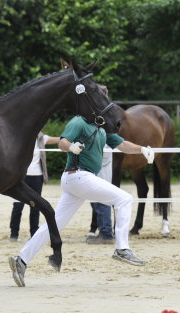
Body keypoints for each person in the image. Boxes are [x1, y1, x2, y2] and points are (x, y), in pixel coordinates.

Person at [9, 114, 154, 287]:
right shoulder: (79, 122)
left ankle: (21, 259)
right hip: (79, 176)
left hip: (79, 180)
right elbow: (63, 142)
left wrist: (142, 149)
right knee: (124, 199)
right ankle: (122, 248)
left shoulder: (102, 126)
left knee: (54, 225)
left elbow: (122, 144)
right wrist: (71, 147)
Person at [9, 132, 60, 241]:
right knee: (18, 206)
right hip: (21, 177)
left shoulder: (42, 138)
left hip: (37, 177)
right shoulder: (19, 137)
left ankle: (34, 232)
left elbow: (59, 139)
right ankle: (14, 233)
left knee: (36, 206)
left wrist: (73, 137)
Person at [86, 149, 114, 244]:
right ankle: (104, 232)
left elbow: (95, 156)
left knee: (102, 206)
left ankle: (106, 234)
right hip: (98, 177)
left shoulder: (103, 140)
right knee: (97, 206)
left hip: (101, 177)